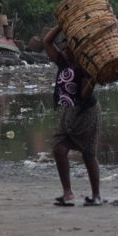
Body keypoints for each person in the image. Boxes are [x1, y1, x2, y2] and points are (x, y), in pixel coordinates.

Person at [42, 25, 103, 206]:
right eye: (64, 48)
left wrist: (92, 82)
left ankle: (96, 195)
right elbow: (46, 41)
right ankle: (68, 193)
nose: (66, 51)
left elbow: (84, 95)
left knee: (88, 153)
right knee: (59, 149)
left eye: (70, 49)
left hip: (87, 112)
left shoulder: (85, 68)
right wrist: (62, 25)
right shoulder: (62, 62)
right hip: (70, 112)